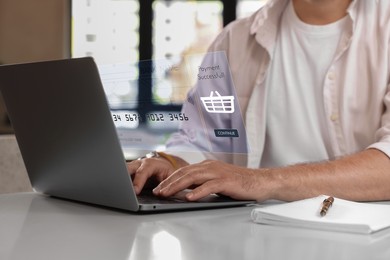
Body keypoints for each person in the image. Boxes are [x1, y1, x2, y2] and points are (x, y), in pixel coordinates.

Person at [127, 0, 390, 203]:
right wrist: (172, 164)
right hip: (254, 231)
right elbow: (202, 140)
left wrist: (260, 181)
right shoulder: (235, 39)